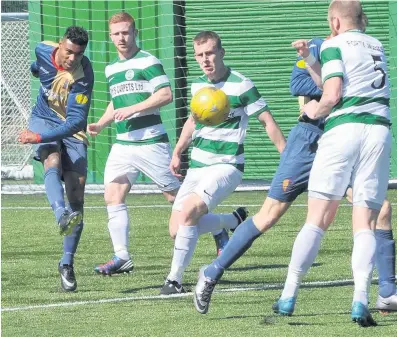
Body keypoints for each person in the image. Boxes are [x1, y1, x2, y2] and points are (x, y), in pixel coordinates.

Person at [194, 5, 396, 319]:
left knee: (379, 210)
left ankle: (386, 291)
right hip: (310, 139)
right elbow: (298, 85)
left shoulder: (343, 47)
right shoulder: (320, 46)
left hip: (342, 135)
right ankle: (212, 272)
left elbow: (331, 93)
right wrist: (316, 67)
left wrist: (331, 89)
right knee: (270, 214)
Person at [272, 0, 392, 327]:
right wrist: (310, 59)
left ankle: (288, 294)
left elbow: (333, 92)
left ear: (335, 22)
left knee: (318, 218)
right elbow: (338, 79)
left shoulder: (333, 43)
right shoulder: (376, 45)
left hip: (344, 131)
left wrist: (316, 111)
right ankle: (359, 300)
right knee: (364, 222)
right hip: (379, 131)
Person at [160, 30, 286, 295]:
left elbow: (267, 121)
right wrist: (177, 152)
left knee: (189, 213)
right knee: (176, 229)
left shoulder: (241, 85)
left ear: (221, 52)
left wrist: (287, 157)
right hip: (197, 165)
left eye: (210, 53)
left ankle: (174, 280)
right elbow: (192, 121)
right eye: (199, 55)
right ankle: (230, 221)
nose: (205, 60)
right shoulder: (197, 86)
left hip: (227, 166)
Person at [18, 26, 94, 292]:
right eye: (69, 51)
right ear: (60, 44)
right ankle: (61, 214)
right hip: (43, 117)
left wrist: (37, 138)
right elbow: (36, 65)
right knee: (52, 160)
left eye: (79, 53)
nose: (73, 58)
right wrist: (36, 72)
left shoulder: (83, 75)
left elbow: (76, 122)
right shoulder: (42, 49)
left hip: (70, 126)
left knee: (77, 189)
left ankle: (66, 263)